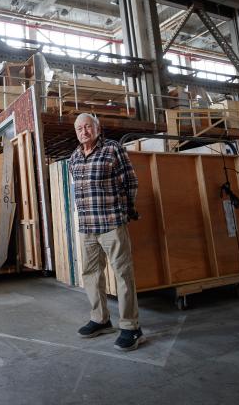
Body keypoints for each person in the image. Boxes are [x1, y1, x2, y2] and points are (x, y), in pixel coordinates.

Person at [69, 113, 144, 351]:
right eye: (79, 128)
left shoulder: (113, 150)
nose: (84, 131)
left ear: (97, 128)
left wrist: (124, 211)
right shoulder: (74, 158)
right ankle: (100, 319)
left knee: (123, 274)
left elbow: (130, 182)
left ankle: (131, 327)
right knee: (91, 273)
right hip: (87, 227)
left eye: (88, 126)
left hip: (111, 223)